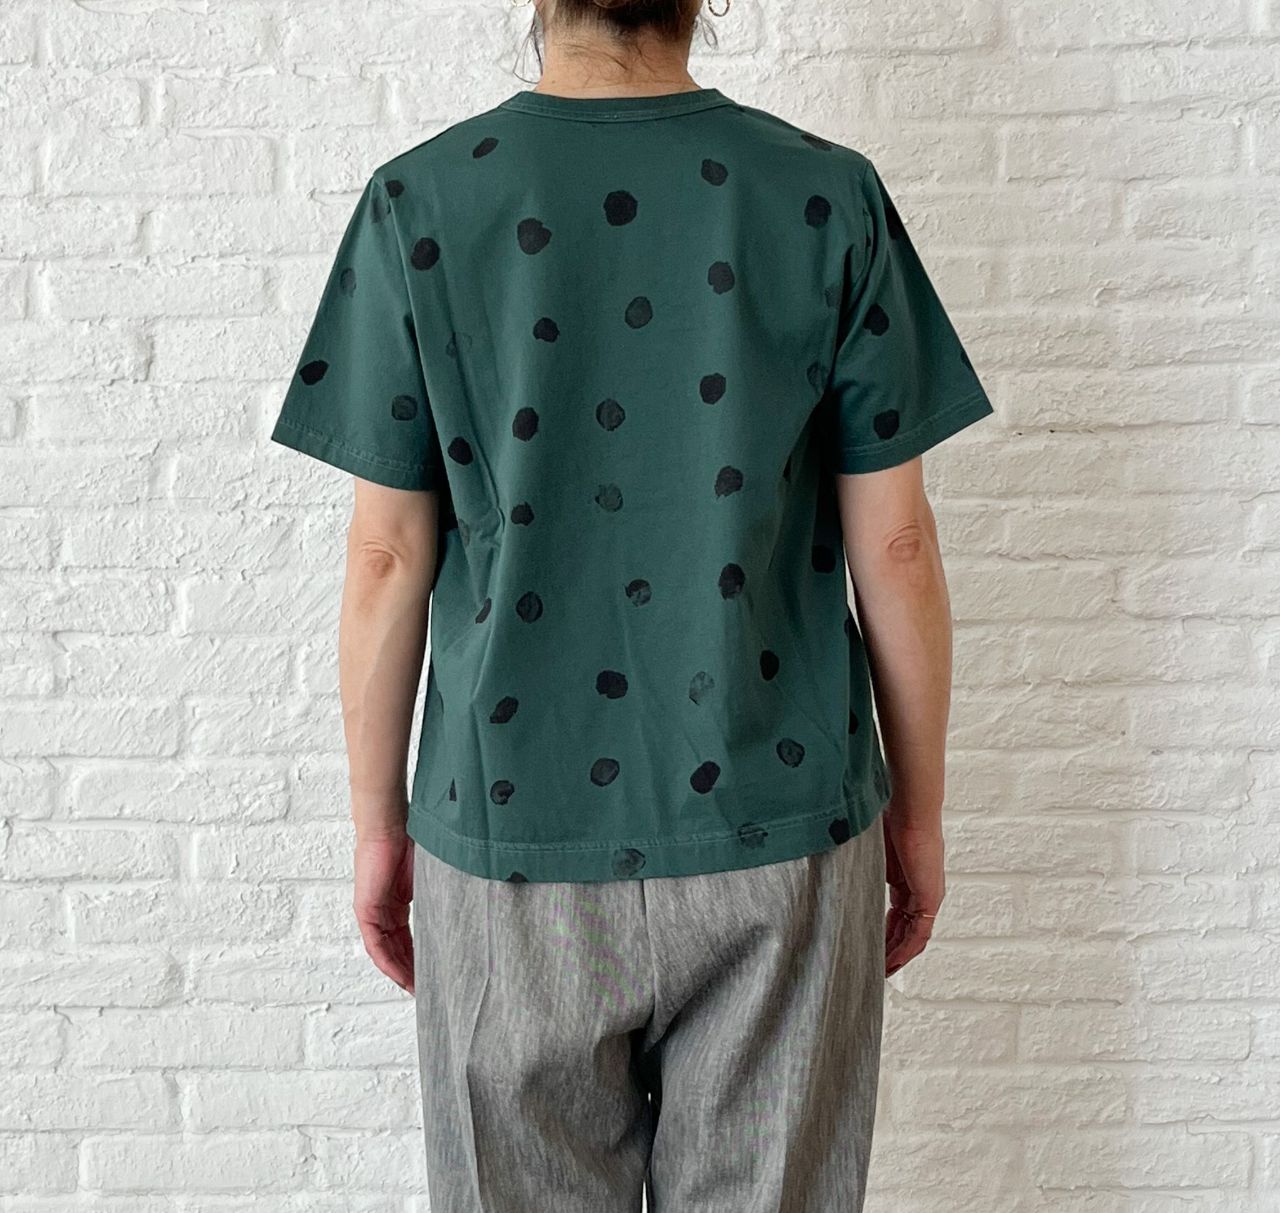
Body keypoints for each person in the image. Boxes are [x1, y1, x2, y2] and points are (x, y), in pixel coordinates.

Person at [268, 0, 994, 1207]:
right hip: (777, 831)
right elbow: (899, 546)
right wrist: (916, 818)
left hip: (508, 835)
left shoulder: (420, 203)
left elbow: (387, 556)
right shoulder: (825, 197)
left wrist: (376, 828)